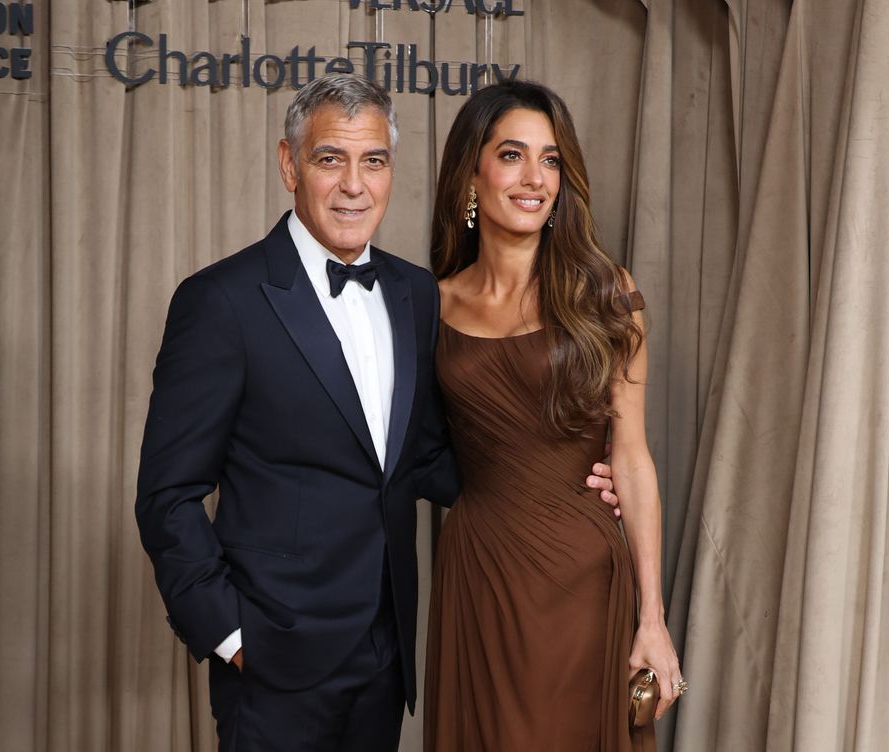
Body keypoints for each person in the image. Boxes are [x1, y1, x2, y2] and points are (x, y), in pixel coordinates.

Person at [135, 74, 618, 752]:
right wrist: (232, 636)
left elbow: (422, 455)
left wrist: (562, 482)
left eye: (375, 162)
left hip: (386, 658)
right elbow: (167, 496)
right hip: (275, 661)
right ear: (289, 165)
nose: (354, 185)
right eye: (331, 159)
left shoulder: (414, 293)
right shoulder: (222, 301)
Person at [423, 80, 683, 751]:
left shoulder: (608, 293)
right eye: (512, 155)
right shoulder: (428, 306)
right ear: (472, 173)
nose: (534, 178)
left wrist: (652, 618)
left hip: (583, 581)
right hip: (479, 571)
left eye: (551, 160)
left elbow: (631, 453)